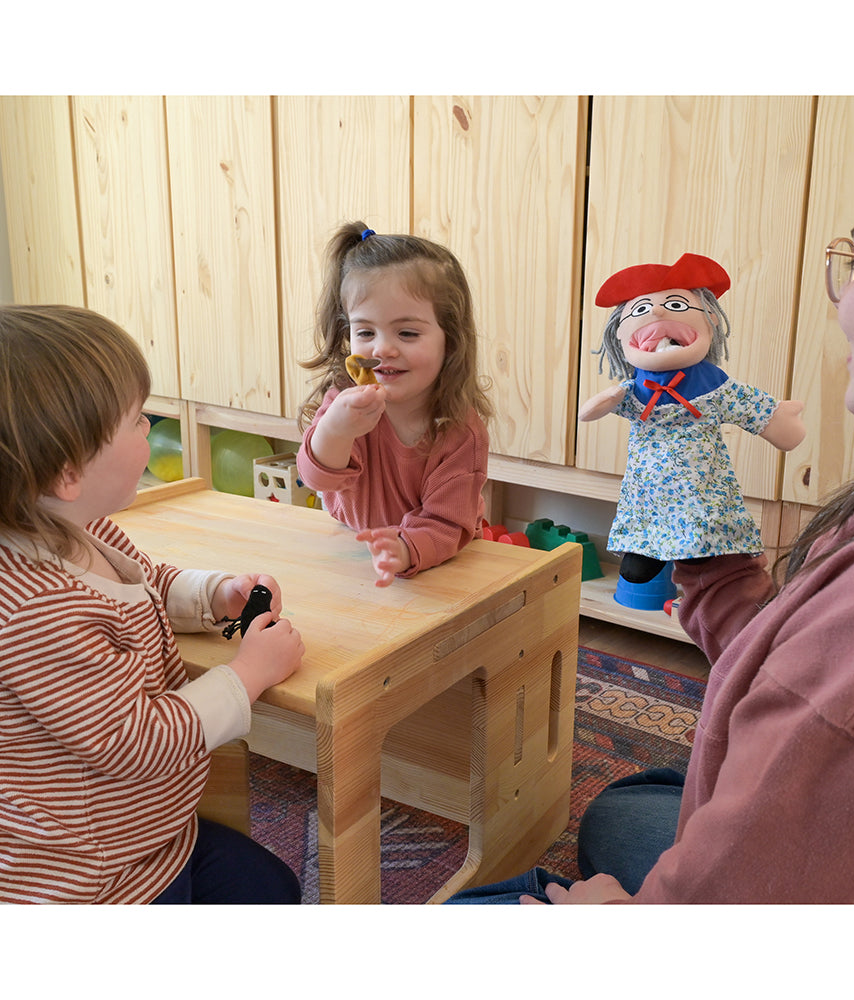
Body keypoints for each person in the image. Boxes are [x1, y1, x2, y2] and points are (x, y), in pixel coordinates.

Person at [448, 96, 854, 904]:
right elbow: (808, 665)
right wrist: (713, 568)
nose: (839, 298)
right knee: (630, 807)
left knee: (483, 906)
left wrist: (621, 916)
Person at [0, 305, 305, 904]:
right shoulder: (35, 612)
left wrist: (214, 594)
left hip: (152, 834)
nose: (149, 431)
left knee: (272, 890)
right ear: (68, 473)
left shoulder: (79, 527)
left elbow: (145, 581)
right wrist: (247, 676)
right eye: (138, 421)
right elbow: (135, 739)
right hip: (92, 880)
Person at [579, 254, 804, 608]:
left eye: (674, 305)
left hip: (702, 493)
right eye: (642, 310)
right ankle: (649, 566)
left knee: (703, 551)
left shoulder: (711, 384)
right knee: (639, 562)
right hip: (648, 495)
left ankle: (705, 576)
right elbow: (597, 407)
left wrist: (780, 419)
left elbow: (748, 405)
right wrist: (604, 400)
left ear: (709, 320)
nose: (657, 314)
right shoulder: (634, 388)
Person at [296, 222, 493, 587]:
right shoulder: (345, 401)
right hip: (355, 551)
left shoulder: (459, 430)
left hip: (437, 558)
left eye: (407, 333)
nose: (382, 349)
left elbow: (447, 524)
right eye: (366, 332)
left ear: (450, 341)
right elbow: (316, 478)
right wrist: (336, 430)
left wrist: (402, 549)